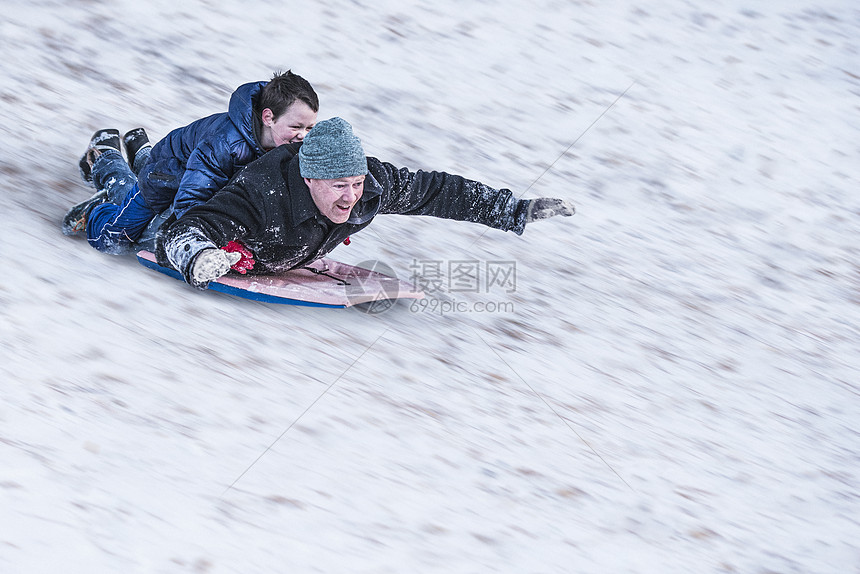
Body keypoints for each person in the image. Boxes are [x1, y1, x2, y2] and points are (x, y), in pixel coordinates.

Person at [156, 117, 576, 289]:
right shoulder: (261, 195)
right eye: (339, 185)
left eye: (355, 183)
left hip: (276, 247)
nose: (351, 196)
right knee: (134, 197)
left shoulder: (371, 186)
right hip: (180, 204)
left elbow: (437, 191)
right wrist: (197, 257)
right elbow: (186, 229)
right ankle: (111, 159)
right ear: (309, 178)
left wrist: (511, 211)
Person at [62, 70, 319, 254]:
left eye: (310, 128)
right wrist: (199, 239)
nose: (303, 136)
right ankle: (99, 201)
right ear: (268, 117)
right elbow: (193, 194)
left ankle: (136, 147)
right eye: (296, 126)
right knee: (116, 241)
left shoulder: (286, 143)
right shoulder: (224, 144)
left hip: (196, 175)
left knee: (158, 228)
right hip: (164, 178)